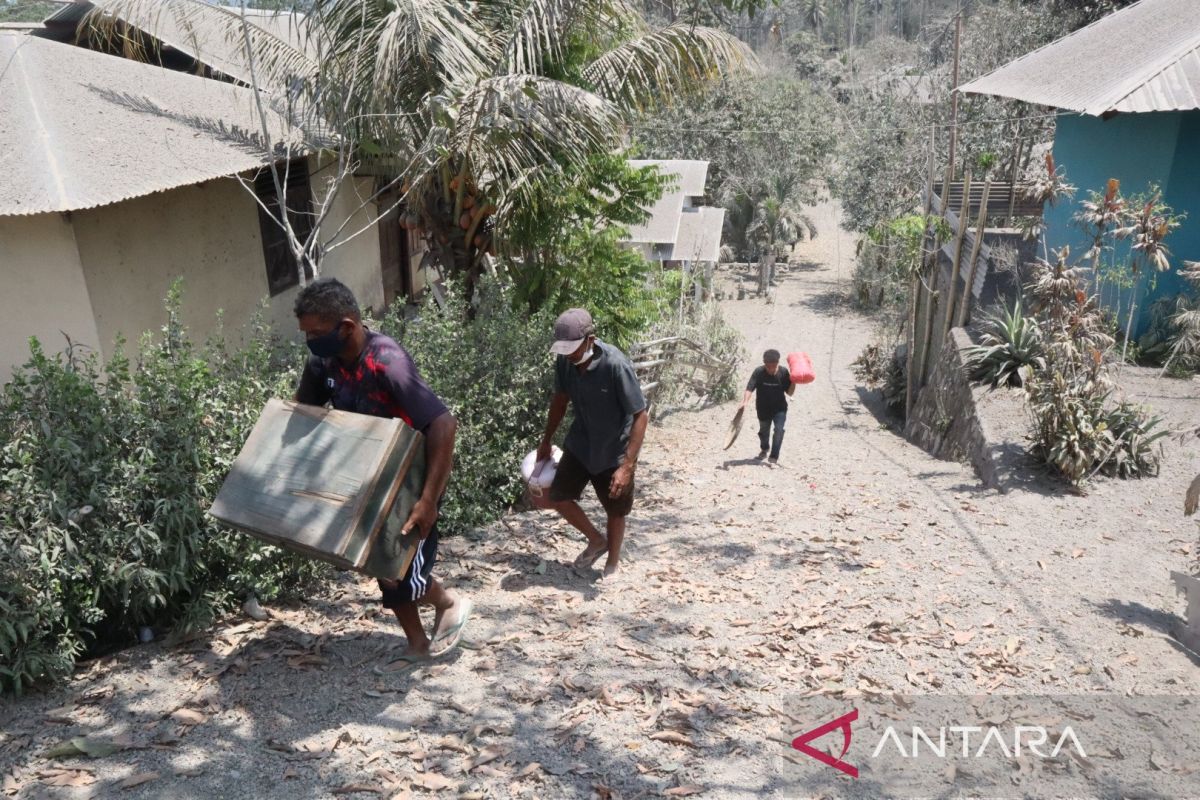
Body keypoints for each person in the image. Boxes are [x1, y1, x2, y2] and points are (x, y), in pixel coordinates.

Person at [293, 277, 470, 661]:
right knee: (381, 565)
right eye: (306, 334)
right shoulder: (323, 361)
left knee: (404, 568)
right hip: (366, 476)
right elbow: (303, 413)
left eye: (316, 333)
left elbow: (443, 424)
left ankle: (448, 603)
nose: (310, 341)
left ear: (347, 327)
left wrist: (428, 500)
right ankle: (417, 643)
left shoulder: (387, 363)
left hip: (414, 480)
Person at [537, 309, 648, 578]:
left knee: (615, 508)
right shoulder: (565, 363)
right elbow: (560, 401)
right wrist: (546, 440)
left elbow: (640, 415)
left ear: (591, 340)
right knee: (558, 496)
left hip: (614, 449)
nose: (569, 355)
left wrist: (627, 466)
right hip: (581, 443)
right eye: (564, 350)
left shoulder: (615, 365)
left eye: (573, 349)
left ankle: (613, 563)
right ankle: (596, 540)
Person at [739, 349, 795, 464]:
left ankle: (774, 457)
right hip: (762, 407)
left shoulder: (783, 372)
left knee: (779, 430)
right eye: (767, 366)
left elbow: (789, 393)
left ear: (777, 363)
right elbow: (750, 388)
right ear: (764, 363)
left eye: (773, 366)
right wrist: (745, 402)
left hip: (779, 408)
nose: (770, 368)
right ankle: (764, 448)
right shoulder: (759, 372)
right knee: (764, 431)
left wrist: (794, 381)